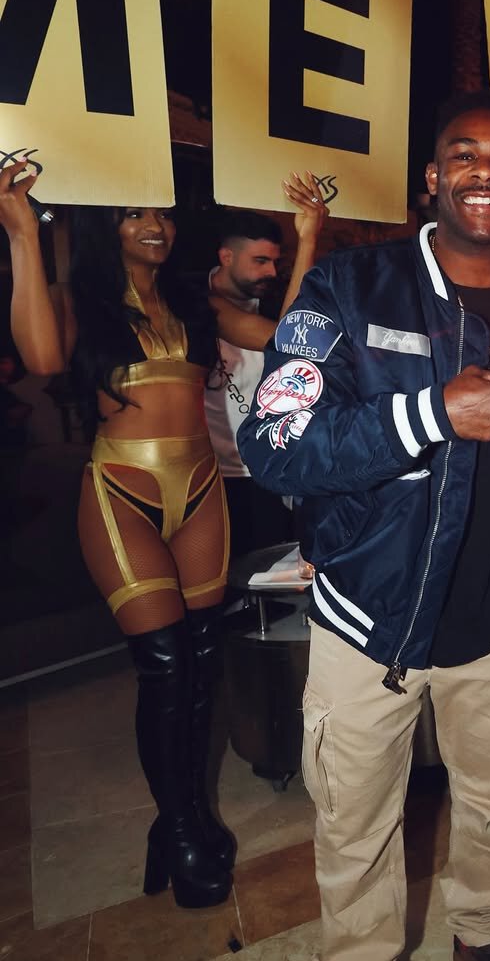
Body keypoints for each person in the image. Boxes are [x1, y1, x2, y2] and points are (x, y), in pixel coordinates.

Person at [238, 90, 490, 961]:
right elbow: (276, 439)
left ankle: (486, 941)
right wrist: (428, 415)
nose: (485, 170)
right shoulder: (348, 286)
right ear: (431, 177)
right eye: (463, 153)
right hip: (367, 621)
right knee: (357, 828)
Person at [0, 160, 325, 909]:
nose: (155, 225)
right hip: (122, 491)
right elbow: (41, 359)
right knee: (167, 664)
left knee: (202, 665)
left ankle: (188, 816)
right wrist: (20, 231)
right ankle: (178, 829)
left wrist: (308, 238)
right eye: (134, 213)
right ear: (104, 226)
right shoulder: (80, 302)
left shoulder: (193, 304)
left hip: (201, 490)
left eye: (162, 214)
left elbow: (293, 342)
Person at [205, 205, 319, 556]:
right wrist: (307, 241)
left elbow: (299, 338)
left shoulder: (278, 301)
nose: (270, 271)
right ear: (226, 256)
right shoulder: (193, 304)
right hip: (211, 474)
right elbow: (283, 338)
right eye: (260, 261)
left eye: (274, 262)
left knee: (271, 569)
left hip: (269, 470)